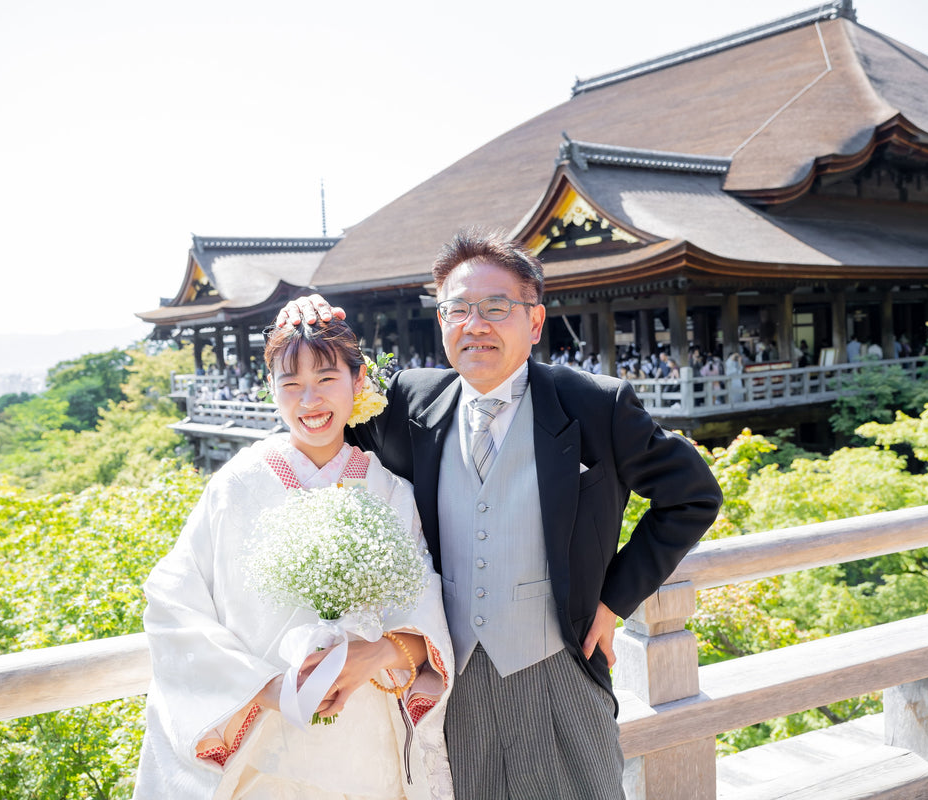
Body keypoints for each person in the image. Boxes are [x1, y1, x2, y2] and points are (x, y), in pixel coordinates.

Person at [278, 230, 722, 800]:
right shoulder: (411, 401)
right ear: (441, 322)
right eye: (457, 309)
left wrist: (614, 601)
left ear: (534, 323)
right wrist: (310, 323)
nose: (475, 324)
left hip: (557, 665)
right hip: (447, 675)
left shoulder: (594, 402)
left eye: (496, 307)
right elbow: (320, 409)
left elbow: (693, 496)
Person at [134, 319, 454, 800]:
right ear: (271, 389)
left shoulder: (390, 491)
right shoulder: (237, 485)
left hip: (366, 738)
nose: (310, 401)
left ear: (358, 381)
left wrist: (376, 655)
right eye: (291, 384)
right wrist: (264, 688)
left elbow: (424, 600)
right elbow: (174, 601)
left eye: (327, 379)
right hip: (264, 732)